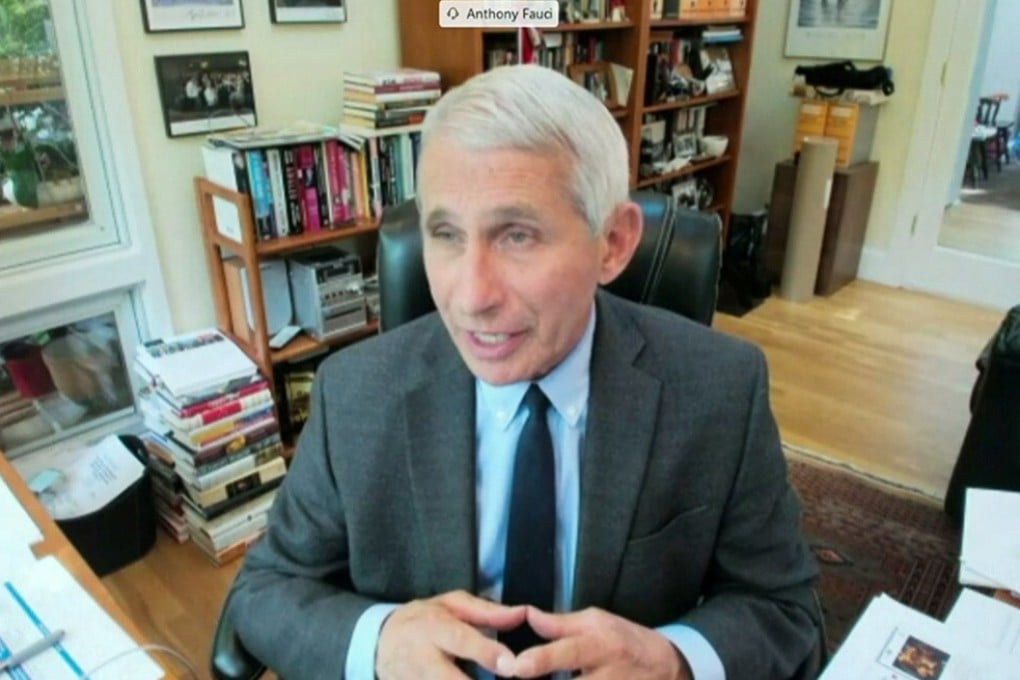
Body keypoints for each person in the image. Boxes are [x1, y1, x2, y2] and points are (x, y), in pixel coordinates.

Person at [228, 64, 820, 680]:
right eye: (447, 235)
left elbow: (784, 608)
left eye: (517, 236)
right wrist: (378, 642)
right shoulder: (353, 393)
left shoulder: (721, 388)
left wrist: (673, 661)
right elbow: (266, 588)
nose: (470, 296)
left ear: (613, 243)